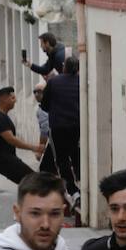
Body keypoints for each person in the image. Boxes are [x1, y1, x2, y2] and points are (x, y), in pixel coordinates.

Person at [0, 86, 45, 186]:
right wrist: (35, 147)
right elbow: (12, 140)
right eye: (12, 98)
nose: (15, 101)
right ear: (3, 99)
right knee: (33, 181)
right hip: (2, 160)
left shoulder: (2, 116)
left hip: (8, 158)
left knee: (30, 182)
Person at [41, 57, 82, 199]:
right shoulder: (81, 82)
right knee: (76, 153)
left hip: (58, 126)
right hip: (77, 126)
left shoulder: (53, 81)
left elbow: (44, 105)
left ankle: (73, 191)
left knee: (62, 159)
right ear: (78, 68)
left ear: (64, 67)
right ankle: (81, 182)